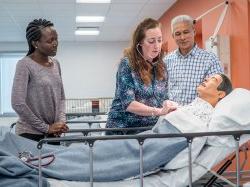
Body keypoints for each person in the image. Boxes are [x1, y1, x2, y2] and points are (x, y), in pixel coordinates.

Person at [2, 73, 232, 184]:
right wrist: (169, 110)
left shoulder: (208, 119)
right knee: (88, 150)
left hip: (153, 143)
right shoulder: (194, 107)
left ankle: (38, 157)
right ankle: (37, 154)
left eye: (211, 79)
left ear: (221, 94)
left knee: (92, 153)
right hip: (147, 137)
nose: (205, 79)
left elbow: (173, 140)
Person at [106, 18, 176, 133]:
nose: (157, 46)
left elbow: (163, 97)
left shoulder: (161, 67)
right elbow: (129, 104)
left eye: (159, 40)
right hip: (123, 129)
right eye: (151, 41)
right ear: (140, 43)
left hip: (149, 130)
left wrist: (168, 104)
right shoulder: (127, 64)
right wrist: (158, 111)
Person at [11, 18, 69, 143]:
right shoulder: (24, 65)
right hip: (29, 134)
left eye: (56, 39)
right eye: (50, 40)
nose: (55, 43)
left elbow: (61, 98)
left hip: (53, 133)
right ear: (35, 43)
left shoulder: (56, 64)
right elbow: (17, 103)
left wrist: (61, 122)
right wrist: (46, 128)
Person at [164, 14, 224, 105]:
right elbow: (162, 90)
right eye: (178, 34)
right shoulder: (167, 60)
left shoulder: (210, 59)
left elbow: (216, 91)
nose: (182, 37)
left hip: (197, 116)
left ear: (194, 32)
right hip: (173, 115)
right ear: (173, 36)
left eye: (186, 32)